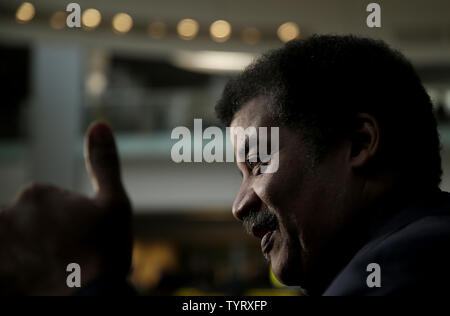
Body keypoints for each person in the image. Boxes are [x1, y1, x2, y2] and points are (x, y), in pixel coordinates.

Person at [1, 34, 449, 296]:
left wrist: (86, 274)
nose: (239, 204)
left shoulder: (411, 263)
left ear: (359, 143)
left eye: (258, 163)